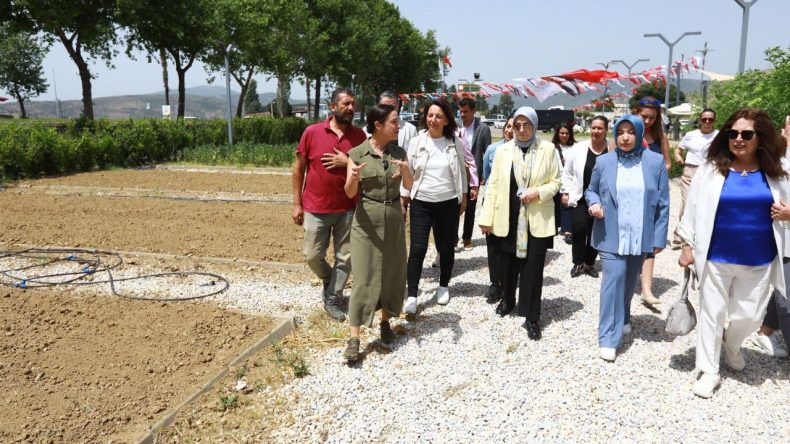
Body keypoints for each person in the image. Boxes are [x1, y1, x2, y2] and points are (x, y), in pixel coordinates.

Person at [677, 108, 788, 398]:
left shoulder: (777, 172)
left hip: (759, 258)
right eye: (733, 133)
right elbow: (693, 209)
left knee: (748, 317)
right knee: (712, 313)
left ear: (760, 138)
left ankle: (732, 344)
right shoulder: (711, 170)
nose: (738, 139)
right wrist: (687, 244)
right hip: (716, 256)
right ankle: (708, 370)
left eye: (746, 134)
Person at [585, 115, 669, 362]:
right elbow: (591, 190)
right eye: (620, 131)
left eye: (631, 132)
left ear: (640, 133)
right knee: (614, 279)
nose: (624, 137)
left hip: (640, 234)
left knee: (630, 279)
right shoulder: (604, 162)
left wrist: (660, 236)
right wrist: (595, 202)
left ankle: (624, 316)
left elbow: (663, 203)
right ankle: (608, 336)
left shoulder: (654, 162)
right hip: (611, 233)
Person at [479, 106, 561, 340]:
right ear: (512, 127)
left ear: (535, 125)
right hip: (508, 216)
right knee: (508, 265)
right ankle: (508, 299)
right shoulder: (503, 151)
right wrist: (486, 218)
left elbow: (556, 181)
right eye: (517, 125)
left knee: (533, 269)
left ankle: (532, 317)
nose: (522, 130)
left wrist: (538, 192)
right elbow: (493, 185)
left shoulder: (548, 149)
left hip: (537, 218)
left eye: (526, 125)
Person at [342, 104, 413, 362]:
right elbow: (350, 193)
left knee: (392, 273)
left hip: (393, 218)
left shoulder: (398, 151)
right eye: (394, 121)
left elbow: (408, 185)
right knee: (363, 277)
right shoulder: (358, 153)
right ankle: (354, 338)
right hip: (366, 222)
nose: (399, 125)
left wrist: (406, 171)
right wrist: (353, 177)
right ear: (378, 125)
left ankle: (385, 322)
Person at [292, 87, 366, 321]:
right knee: (312, 255)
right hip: (316, 207)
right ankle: (330, 280)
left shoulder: (359, 137)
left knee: (346, 257)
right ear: (332, 106)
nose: (350, 108)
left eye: (353, 104)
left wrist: (347, 162)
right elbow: (298, 169)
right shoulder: (312, 132)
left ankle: (333, 298)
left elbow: (365, 172)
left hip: (348, 207)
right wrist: (297, 204)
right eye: (345, 104)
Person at [402, 98, 468, 313]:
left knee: (446, 246)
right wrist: (404, 197)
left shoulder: (454, 142)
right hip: (421, 201)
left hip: (448, 202)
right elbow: (408, 172)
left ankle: (443, 286)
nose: (434, 120)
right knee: (418, 248)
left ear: (447, 119)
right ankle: (412, 295)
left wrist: (464, 196)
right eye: (430, 115)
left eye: (439, 116)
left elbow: (462, 170)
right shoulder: (417, 142)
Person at [751, 115, 790, 358]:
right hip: (783, 240)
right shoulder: (777, 159)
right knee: (786, 296)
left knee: (784, 291)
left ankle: (765, 331)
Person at [633, 96, 671, 306]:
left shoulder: (660, 138)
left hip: (652, 195)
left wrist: (658, 170)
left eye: (652, 118)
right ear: (636, 112)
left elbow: (667, 164)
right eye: (644, 116)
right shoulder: (625, 133)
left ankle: (646, 289)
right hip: (630, 195)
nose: (647, 122)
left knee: (649, 242)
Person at [562, 116, 609, 278]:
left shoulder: (611, 150)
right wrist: (566, 192)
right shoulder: (578, 148)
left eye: (600, 128)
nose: (596, 131)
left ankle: (589, 263)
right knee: (580, 228)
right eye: (593, 128)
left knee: (596, 232)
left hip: (602, 200)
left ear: (606, 131)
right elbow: (567, 172)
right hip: (581, 197)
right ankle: (578, 262)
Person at [670, 108, 718, 249]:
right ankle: (680, 236)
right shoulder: (691, 135)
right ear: (700, 121)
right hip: (691, 171)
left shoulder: (719, 136)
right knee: (688, 203)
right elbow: (678, 149)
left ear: (714, 120)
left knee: (707, 204)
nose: (707, 122)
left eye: (710, 119)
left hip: (711, 172)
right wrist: (678, 156)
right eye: (704, 119)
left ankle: (701, 235)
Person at [481, 113, 515, 304]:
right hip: (494, 199)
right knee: (493, 242)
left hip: (514, 203)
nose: (510, 130)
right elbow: (486, 174)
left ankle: (509, 279)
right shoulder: (493, 149)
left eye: (514, 126)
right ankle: (496, 282)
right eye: (508, 126)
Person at [457, 97, 489, 250]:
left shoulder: (482, 129)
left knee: (470, 208)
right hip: (456, 175)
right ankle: (452, 238)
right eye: (460, 111)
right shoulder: (455, 127)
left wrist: (484, 176)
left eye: (465, 111)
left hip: (473, 176)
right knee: (454, 208)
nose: (462, 114)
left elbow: (487, 153)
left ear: (474, 111)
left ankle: (467, 237)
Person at [552, 122, 577, 244]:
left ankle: (568, 231)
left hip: (571, 180)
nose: (564, 135)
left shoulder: (576, 147)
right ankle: (558, 226)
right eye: (562, 133)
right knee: (556, 205)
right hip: (556, 179)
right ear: (557, 134)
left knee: (567, 204)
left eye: (567, 133)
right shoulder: (552, 147)